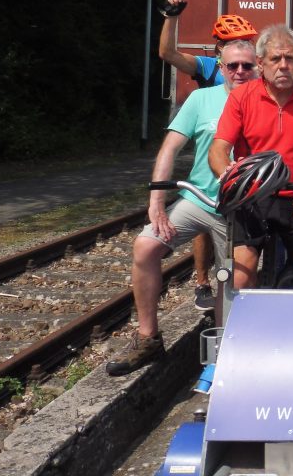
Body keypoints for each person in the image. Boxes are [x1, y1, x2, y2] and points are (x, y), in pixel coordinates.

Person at [106, 40, 258, 376]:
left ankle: (232, 352)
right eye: (232, 66)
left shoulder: (266, 99)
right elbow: (170, 148)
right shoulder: (202, 99)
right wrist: (157, 201)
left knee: (235, 277)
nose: (239, 72)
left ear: (257, 67)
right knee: (145, 247)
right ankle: (148, 338)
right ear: (221, 68)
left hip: (242, 207)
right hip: (199, 199)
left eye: (247, 66)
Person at [209, 25, 293, 291]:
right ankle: (234, 320)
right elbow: (219, 149)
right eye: (275, 59)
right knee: (236, 279)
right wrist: (228, 177)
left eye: (290, 58)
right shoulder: (241, 97)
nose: (283, 66)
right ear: (260, 63)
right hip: (252, 198)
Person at [155, 0, 258, 310]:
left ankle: (236, 298)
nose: (238, 65)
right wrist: (172, 16)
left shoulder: (252, 71)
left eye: (244, 42)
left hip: (240, 163)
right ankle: (202, 282)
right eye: (231, 44)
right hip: (211, 151)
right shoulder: (210, 68)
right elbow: (167, 53)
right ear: (219, 52)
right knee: (202, 211)